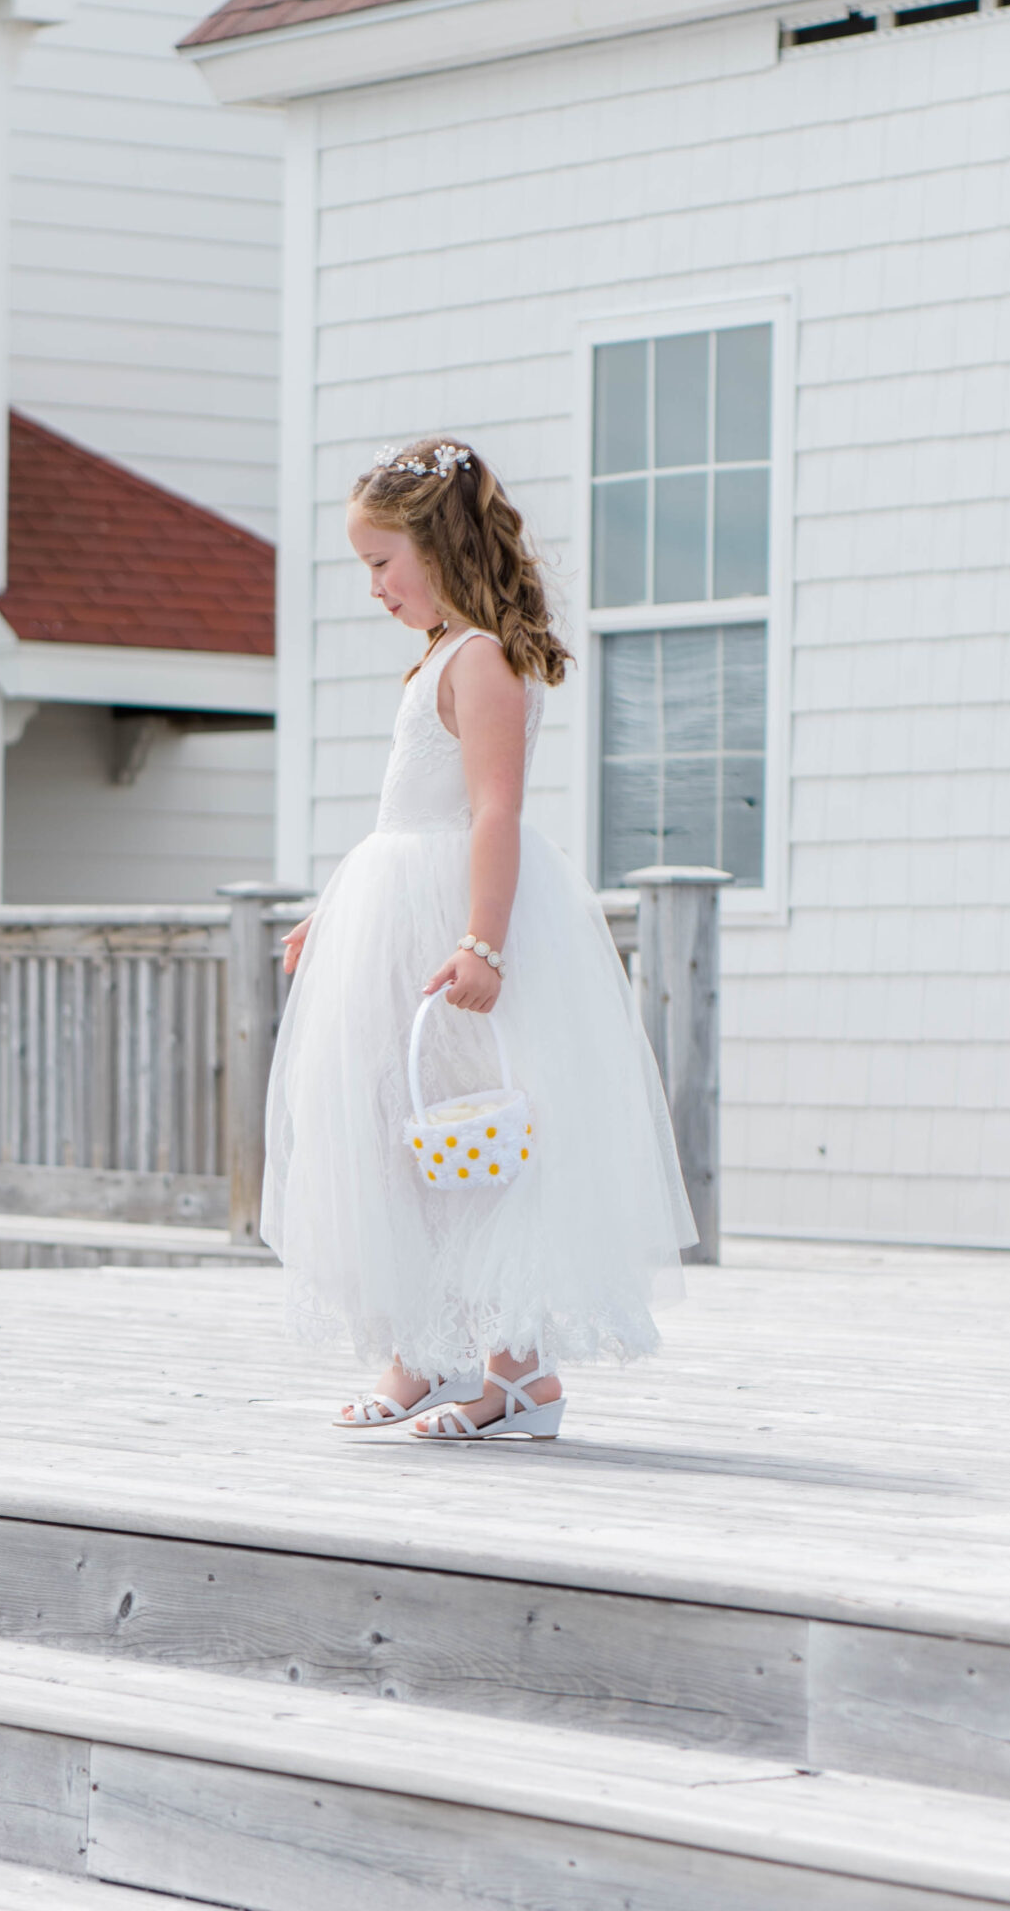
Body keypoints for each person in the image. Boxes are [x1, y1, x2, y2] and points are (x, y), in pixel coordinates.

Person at [268, 437, 696, 1442]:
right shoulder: (439, 658)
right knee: (395, 1124)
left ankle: (518, 1373)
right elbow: (407, 809)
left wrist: (484, 944)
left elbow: (491, 813)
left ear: (440, 544)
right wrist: (334, 913)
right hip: (398, 908)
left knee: (480, 1133)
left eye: (382, 563)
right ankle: (424, 1349)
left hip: (459, 916)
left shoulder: (483, 663)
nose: (372, 586)